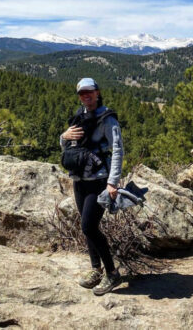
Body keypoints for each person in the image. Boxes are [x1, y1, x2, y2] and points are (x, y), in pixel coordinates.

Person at [60, 77, 123, 295]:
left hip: (98, 180)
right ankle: (96, 269)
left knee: (88, 226)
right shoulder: (80, 116)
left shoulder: (108, 119)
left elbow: (117, 151)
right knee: (87, 229)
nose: (86, 96)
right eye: (82, 93)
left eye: (89, 92)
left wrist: (113, 182)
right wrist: (63, 136)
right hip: (79, 180)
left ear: (97, 92)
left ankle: (112, 274)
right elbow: (69, 146)